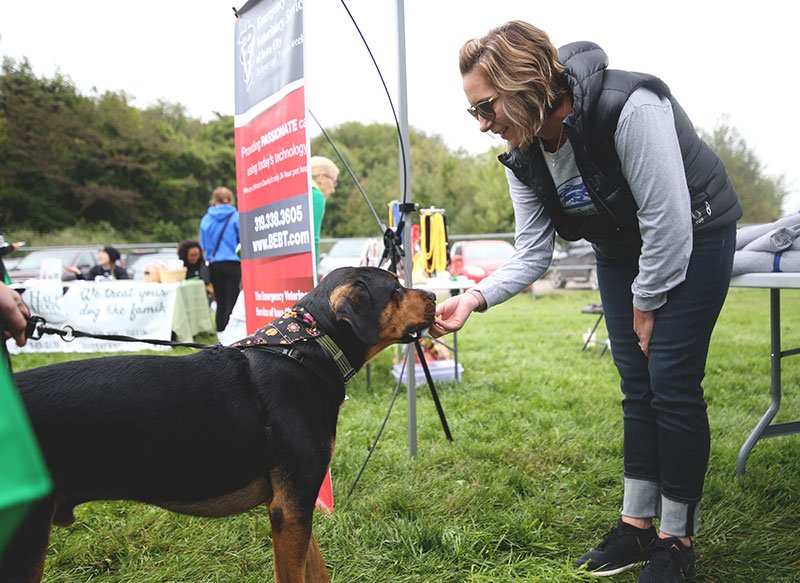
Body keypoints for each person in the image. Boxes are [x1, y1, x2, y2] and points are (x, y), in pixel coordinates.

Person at [431, 21, 742, 583]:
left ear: (524, 82)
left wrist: (644, 302)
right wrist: (473, 297)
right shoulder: (521, 153)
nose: (482, 125)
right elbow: (532, 253)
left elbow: (667, 223)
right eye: (472, 112)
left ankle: (676, 539)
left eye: (486, 106)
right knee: (635, 384)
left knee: (669, 378)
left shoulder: (629, 105)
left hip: (694, 231)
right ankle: (636, 527)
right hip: (622, 246)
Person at [199, 186, 240, 332]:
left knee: (220, 301)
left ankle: (220, 333)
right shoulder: (236, 216)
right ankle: (230, 334)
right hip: (233, 263)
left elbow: (203, 245)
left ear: (214, 200)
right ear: (230, 199)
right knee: (232, 300)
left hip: (214, 264)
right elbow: (242, 241)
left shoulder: (206, 219)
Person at [310, 156, 340, 265]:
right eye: (334, 182)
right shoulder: (316, 196)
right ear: (322, 177)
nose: (333, 190)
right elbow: (313, 241)